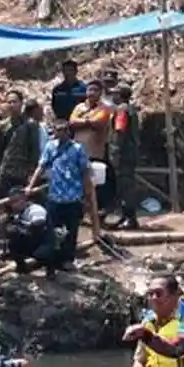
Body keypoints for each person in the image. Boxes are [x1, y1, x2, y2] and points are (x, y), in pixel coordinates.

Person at [25, 118, 93, 279]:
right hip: (55, 196)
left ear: (68, 132)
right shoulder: (50, 147)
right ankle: (51, 263)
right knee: (52, 231)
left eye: (62, 130)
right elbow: (41, 166)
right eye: (57, 130)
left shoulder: (77, 149)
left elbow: (85, 172)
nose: (59, 133)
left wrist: (87, 195)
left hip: (73, 196)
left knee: (71, 230)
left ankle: (67, 260)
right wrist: (30, 186)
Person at [69, 80, 115, 217]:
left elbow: (99, 122)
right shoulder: (79, 107)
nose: (92, 93)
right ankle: (79, 212)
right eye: (90, 90)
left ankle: (96, 213)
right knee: (78, 182)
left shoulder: (105, 108)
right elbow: (72, 121)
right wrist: (89, 121)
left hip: (95, 152)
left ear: (100, 93)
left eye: (95, 90)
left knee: (95, 184)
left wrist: (83, 121)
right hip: (78, 152)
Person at [0, 90, 42, 199]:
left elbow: (34, 151)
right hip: (5, 172)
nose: (11, 105)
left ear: (21, 103)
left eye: (14, 102)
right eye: (9, 102)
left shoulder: (30, 125)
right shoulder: (3, 126)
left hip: (22, 173)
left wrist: (31, 173)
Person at [108, 82, 141, 229]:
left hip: (124, 154)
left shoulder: (122, 109)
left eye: (115, 93)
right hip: (130, 153)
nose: (112, 96)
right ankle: (126, 216)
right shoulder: (130, 109)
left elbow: (119, 133)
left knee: (125, 186)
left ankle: (130, 218)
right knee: (126, 185)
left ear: (120, 95)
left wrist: (115, 153)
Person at [4, 186, 49, 273]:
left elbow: (37, 229)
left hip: (43, 243)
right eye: (12, 202)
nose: (14, 205)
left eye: (17, 201)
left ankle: (47, 265)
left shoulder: (36, 210)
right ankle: (22, 268)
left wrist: (18, 228)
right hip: (31, 241)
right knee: (12, 239)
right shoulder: (18, 212)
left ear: (24, 199)